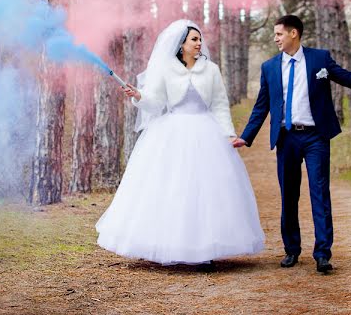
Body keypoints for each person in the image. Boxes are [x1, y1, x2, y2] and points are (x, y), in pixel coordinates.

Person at [95, 19, 265, 270]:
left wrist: (228, 134)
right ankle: (165, 243)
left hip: (206, 132)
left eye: (199, 39)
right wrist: (139, 96)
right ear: (181, 44)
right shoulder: (165, 68)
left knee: (206, 191)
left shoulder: (212, 70)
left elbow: (219, 104)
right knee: (171, 188)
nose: (199, 43)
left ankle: (205, 250)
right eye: (194, 39)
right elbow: (155, 102)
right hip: (172, 132)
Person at [232, 14, 351, 273]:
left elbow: (349, 80)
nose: (275, 38)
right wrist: (246, 136)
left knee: (319, 192)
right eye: (274, 35)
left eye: (279, 34)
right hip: (286, 138)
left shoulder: (320, 59)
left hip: (316, 137)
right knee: (289, 196)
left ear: (294, 33)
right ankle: (292, 250)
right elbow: (262, 106)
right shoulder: (270, 67)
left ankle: (323, 254)